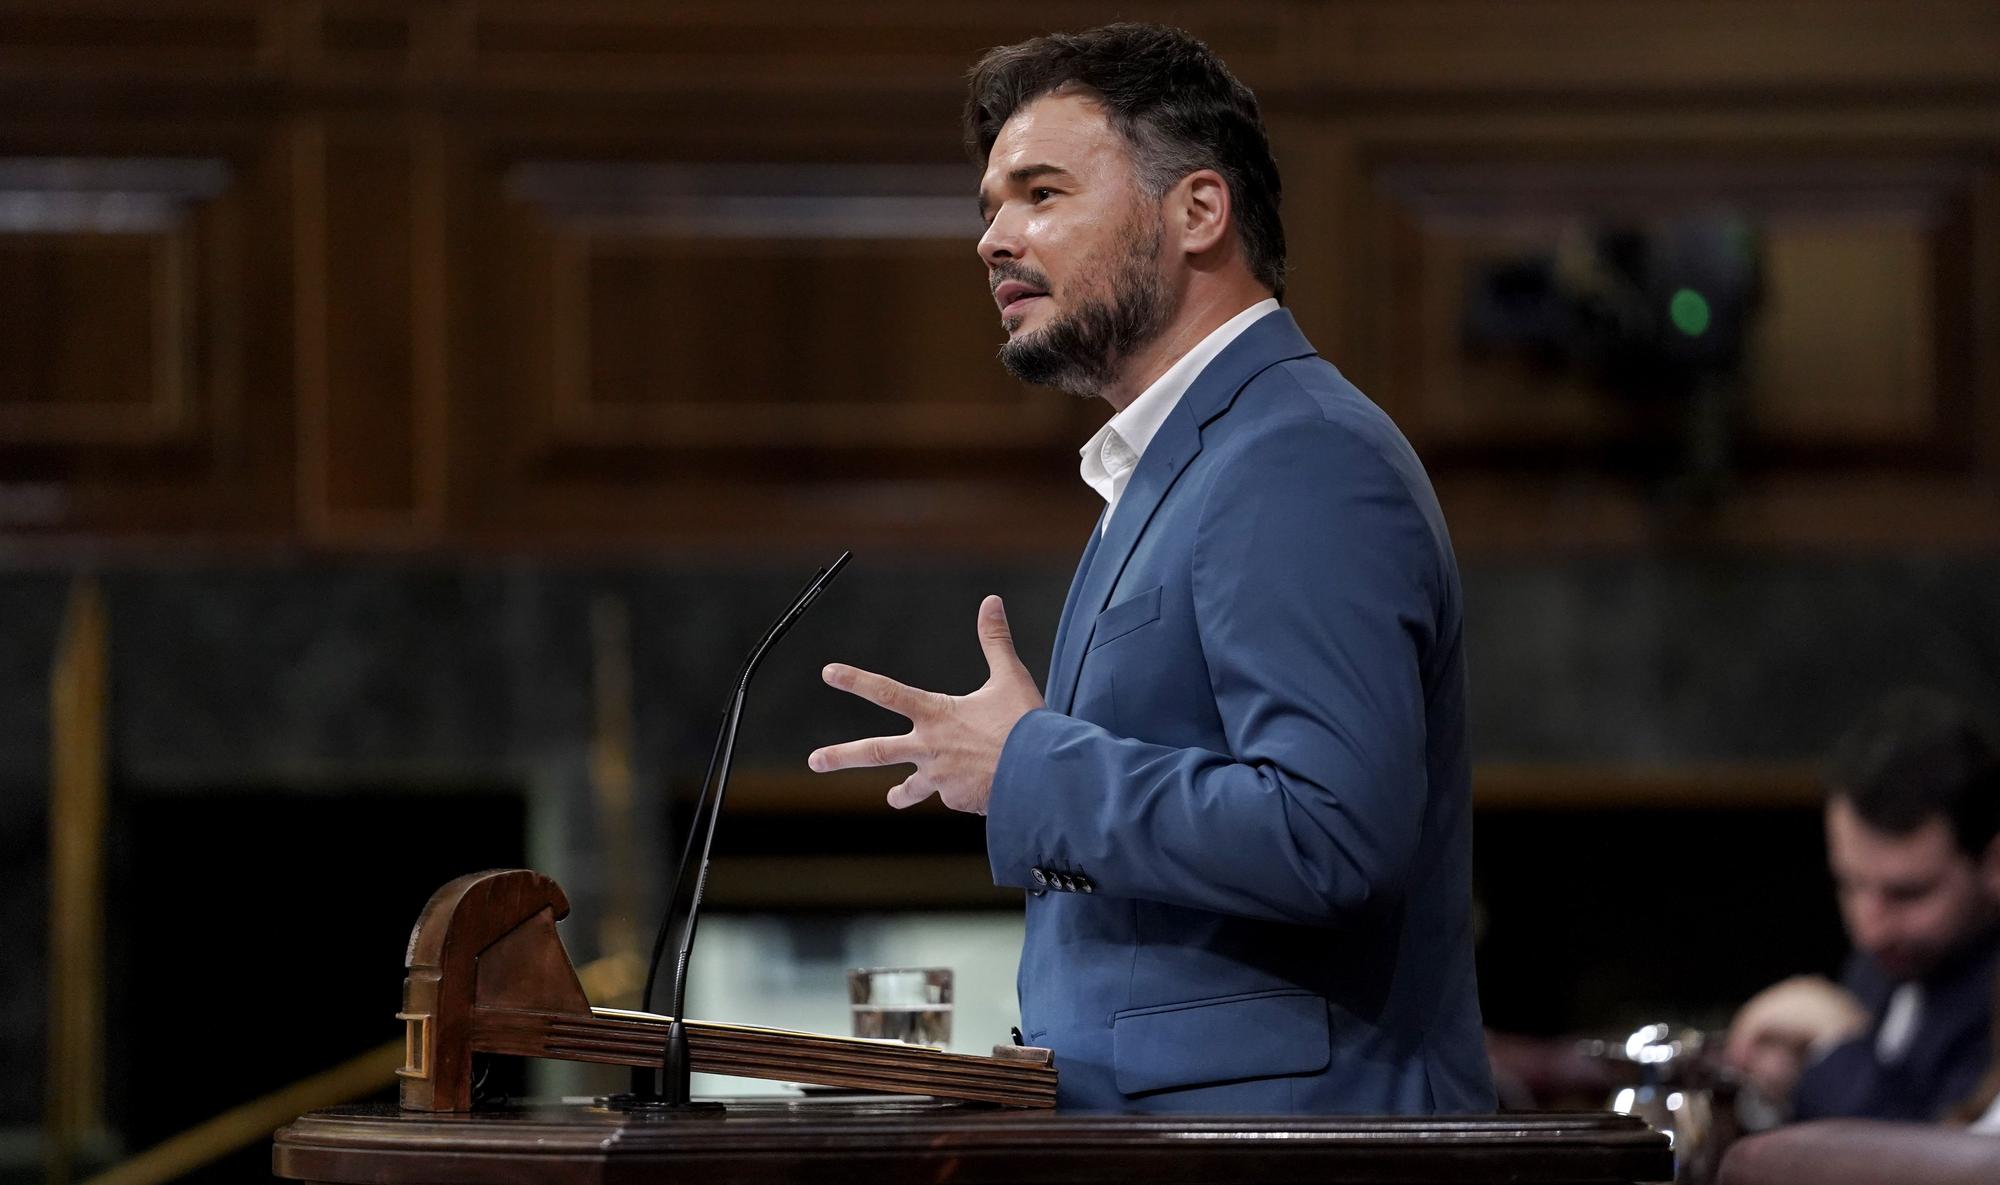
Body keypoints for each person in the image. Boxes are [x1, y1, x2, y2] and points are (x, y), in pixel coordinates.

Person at [807, 23, 1493, 1113]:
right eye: (989, 207)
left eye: (1040, 193)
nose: (993, 239)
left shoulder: (1297, 455)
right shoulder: (1183, 465)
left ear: (1198, 212)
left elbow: (1329, 833)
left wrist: (1031, 767)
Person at [1727, 689, 2000, 1123]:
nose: (1870, 930)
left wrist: (1839, 1045)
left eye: (1908, 894)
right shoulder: (1886, 960)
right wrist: (1788, 1084)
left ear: (1993, 863)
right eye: (1849, 885)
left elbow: (1942, 1152)